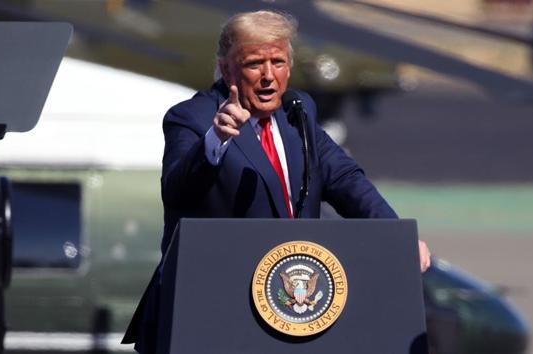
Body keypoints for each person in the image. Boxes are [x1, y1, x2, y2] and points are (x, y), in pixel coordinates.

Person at [123, 10, 431, 354]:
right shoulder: (192, 118)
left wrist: (395, 237)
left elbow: (345, 178)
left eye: (279, 62)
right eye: (255, 64)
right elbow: (178, 189)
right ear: (226, 69)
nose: (269, 76)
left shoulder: (297, 112)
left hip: (284, 310)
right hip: (208, 311)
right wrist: (216, 140)